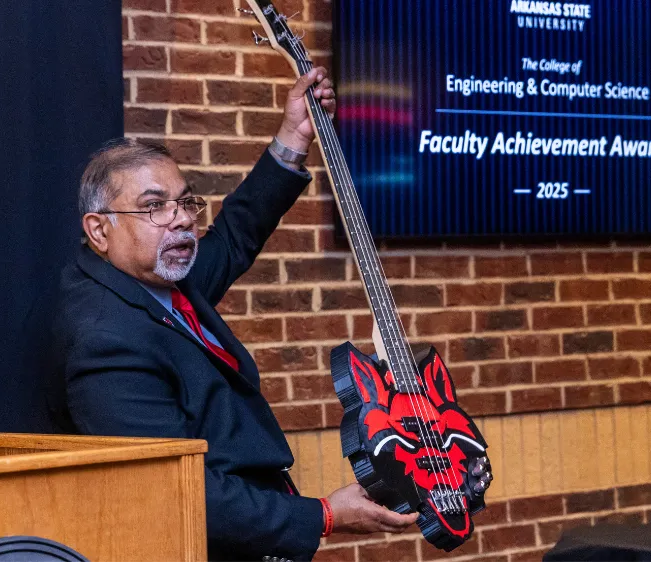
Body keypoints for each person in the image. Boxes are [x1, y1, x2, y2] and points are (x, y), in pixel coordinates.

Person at [44, 68, 417, 561]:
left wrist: (294, 136)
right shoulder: (104, 338)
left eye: (184, 203)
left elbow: (237, 232)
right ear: (99, 230)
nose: (179, 218)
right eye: (154, 207)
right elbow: (178, 488)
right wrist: (323, 515)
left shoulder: (157, 275)